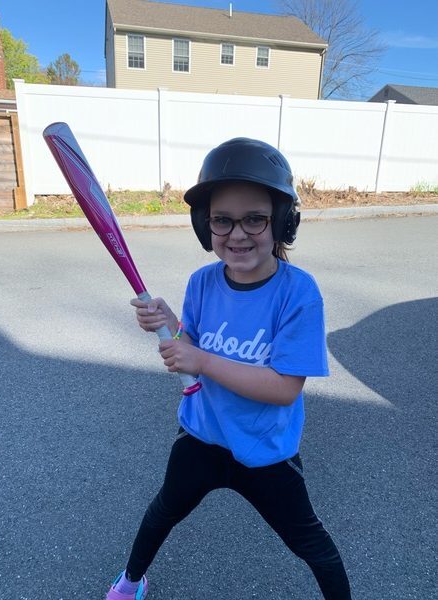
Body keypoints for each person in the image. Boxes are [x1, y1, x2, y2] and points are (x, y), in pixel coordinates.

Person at [106, 138, 352, 600]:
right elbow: (192, 346)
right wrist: (168, 324)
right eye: (222, 220)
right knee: (163, 511)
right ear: (206, 225)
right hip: (201, 437)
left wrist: (200, 359)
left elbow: (283, 388)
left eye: (255, 219)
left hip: (265, 451)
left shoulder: (298, 293)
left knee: (310, 542)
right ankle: (130, 583)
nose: (237, 234)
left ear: (282, 221)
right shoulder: (202, 281)